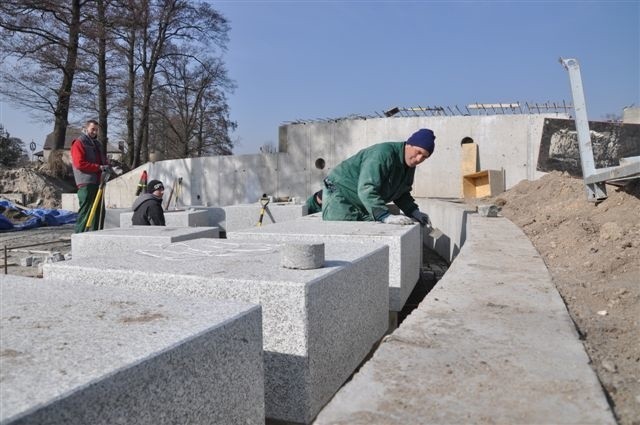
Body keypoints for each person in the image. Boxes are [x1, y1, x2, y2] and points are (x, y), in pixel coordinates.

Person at [322, 128, 435, 227]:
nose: (419, 158)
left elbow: (401, 193)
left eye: (424, 157)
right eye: (418, 152)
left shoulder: (409, 164)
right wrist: (385, 216)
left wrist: (414, 211)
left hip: (361, 200)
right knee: (345, 224)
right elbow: (367, 187)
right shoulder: (383, 154)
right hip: (340, 193)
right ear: (409, 145)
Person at [70, 119, 110, 233]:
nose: (94, 132)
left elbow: (103, 160)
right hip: (86, 183)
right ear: (86, 128)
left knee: (99, 212)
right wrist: (98, 167)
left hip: (99, 183)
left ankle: (96, 235)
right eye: (92, 129)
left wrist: (107, 166)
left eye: (96, 130)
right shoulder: (79, 143)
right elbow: (79, 164)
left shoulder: (97, 144)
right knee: (86, 212)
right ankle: (79, 236)